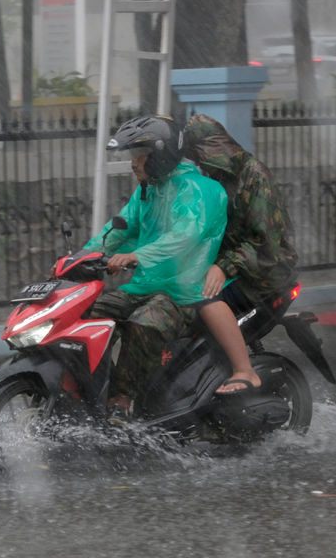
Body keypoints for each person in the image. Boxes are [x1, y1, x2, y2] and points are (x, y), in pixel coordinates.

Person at [83, 115, 227, 416]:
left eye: (139, 156)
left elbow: (186, 236)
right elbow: (121, 228)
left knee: (143, 323)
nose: (133, 164)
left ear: (161, 155)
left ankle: (122, 400)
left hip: (183, 293)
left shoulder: (198, 189)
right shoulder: (149, 188)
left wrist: (138, 256)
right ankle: (90, 390)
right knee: (87, 315)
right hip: (145, 286)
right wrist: (81, 257)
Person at [182, 114, 299, 395]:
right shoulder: (217, 177)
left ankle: (245, 371)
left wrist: (223, 266)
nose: (197, 164)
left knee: (204, 298)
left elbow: (264, 241)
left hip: (265, 274)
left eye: (198, 156)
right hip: (238, 270)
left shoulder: (254, 176)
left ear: (211, 148)